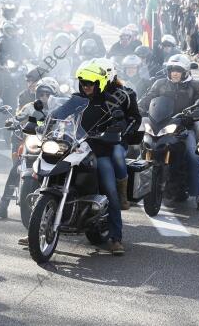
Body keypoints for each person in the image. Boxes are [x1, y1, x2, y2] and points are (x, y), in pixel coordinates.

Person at [49, 58, 141, 254]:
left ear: (100, 83)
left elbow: (122, 121)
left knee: (110, 190)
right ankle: (38, 224)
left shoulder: (109, 101)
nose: (86, 86)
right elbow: (58, 113)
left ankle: (115, 238)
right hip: (75, 148)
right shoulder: (75, 99)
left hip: (100, 151)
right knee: (48, 175)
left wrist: (117, 127)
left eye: (90, 82)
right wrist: (43, 122)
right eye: (83, 82)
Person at [138, 54, 199, 207]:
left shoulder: (195, 85)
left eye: (178, 70)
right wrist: (137, 107)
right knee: (142, 151)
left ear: (185, 72)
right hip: (160, 125)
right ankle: (135, 190)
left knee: (192, 155)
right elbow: (148, 98)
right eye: (172, 70)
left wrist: (195, 113)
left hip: (184, 127)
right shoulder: (160, 83)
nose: (175, 73)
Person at [0, 77, 59, 219]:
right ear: (37, 94)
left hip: (52, 146)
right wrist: (13, 121)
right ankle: (3, 206)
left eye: (48, 94)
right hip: (33, 143)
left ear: (54, 96)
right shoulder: (31, 106)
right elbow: (19, 117)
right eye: (42, 94)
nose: (45, 97)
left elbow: (69, 124)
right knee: (16, 169)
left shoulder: (59, 110)